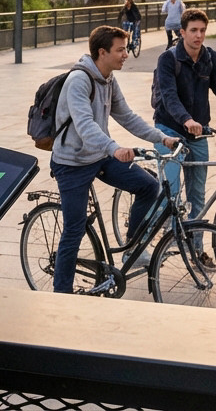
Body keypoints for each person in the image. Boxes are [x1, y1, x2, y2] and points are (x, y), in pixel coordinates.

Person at [52, 26, 178, 290]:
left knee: (149, 186)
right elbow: (85, 125)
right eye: (120, 50)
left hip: (98, 155)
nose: (126, 55)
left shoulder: (108, 78)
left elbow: (126, 116)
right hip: (72, 163)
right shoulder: (79, 80)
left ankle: (133, 247)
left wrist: (160, 138)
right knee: (74, 230)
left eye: (125, 49)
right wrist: (114, 148)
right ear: (102, 52)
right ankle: (60, 293)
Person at [153, 8, 216, 237]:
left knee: (197, 196)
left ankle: (196, 250)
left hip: (197, 134)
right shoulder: (168, 59)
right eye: (193, 31)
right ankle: (149, 241)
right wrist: (186, 119)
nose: (198, 36)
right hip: (168, 130)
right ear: (182, 32)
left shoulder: (210, 57)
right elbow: (169, 97)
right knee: (171, 192)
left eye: (202, 30)